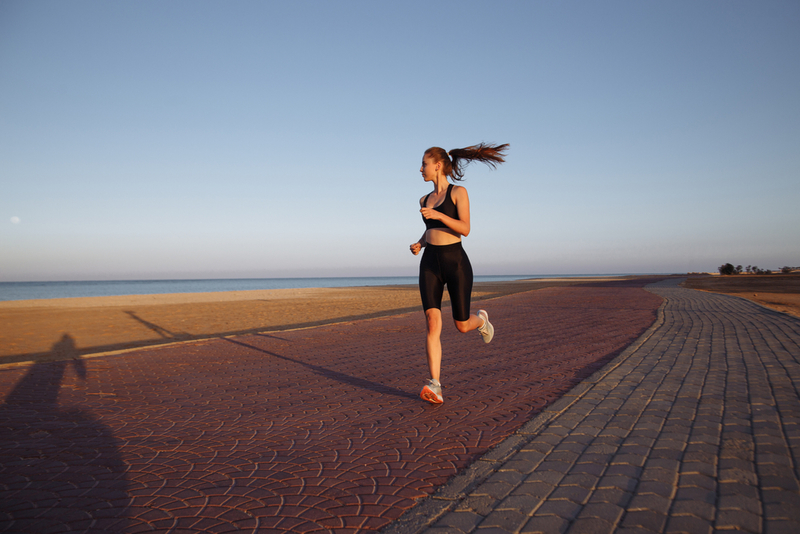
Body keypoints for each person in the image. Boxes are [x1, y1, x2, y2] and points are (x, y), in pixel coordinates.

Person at [409, 143, 509, 404]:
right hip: (430, 263)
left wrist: (439, 217)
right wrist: (421, 242)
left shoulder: (458, 193)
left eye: (424, 164)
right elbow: (431, 228)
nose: (421, 169)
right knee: (432, 322)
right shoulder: (423, 200)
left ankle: (482, 320)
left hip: (456, 263)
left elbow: (465, 228)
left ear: (438, 165)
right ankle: (435, 384)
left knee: (462, 325)